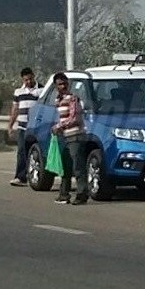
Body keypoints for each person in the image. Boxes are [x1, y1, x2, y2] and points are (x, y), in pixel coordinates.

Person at [51, 72, 88, 205]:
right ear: (56, 86)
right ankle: (64, 194)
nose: (63, 86)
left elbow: (74, 118)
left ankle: (82, 194)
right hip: (64, 136)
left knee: (78, 166)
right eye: (60, 84)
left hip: (75, 136)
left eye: (65, 83)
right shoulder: (58, 100)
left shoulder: (73, 99)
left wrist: (59, 126)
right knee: (65, 167)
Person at [8, 67, 41, 186]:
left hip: (35, 127)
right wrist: (10, 125)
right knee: (21, 151)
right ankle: (21, 177)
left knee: (36, 152)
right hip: (22, 127)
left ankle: (37, 176)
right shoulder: (18, 92)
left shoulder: (41, 90)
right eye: (25, 80)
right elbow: (15, 109)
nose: (28, 82)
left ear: (34, 76)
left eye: (30, 79)